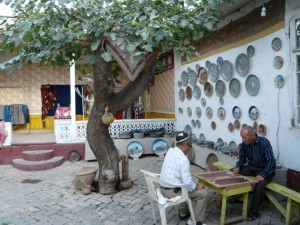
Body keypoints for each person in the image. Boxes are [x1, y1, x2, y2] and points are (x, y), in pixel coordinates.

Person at [160, 131, 207, 225]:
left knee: (184, 185)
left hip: (162, 189)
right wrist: (196, 187)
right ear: (185, 146)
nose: (190, 148)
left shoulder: (170, 151)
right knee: (202, 193)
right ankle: (194, 221)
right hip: (172, 192)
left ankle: (183, 212)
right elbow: (187, 182)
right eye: (190, 146)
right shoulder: (183, 159)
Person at [232, 126, 276, 221]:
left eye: (244, 137)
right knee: (233, 172)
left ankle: (253, 212)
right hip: (252, 168)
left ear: (252, 136)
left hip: (266, 170)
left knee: (260, 185)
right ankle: (235, 196)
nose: (242, 140)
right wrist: (238, 166)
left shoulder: (264, 142)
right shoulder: (244, 144)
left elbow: (271, 161)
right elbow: (242, 158)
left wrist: (263, 175)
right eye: (242, 137)